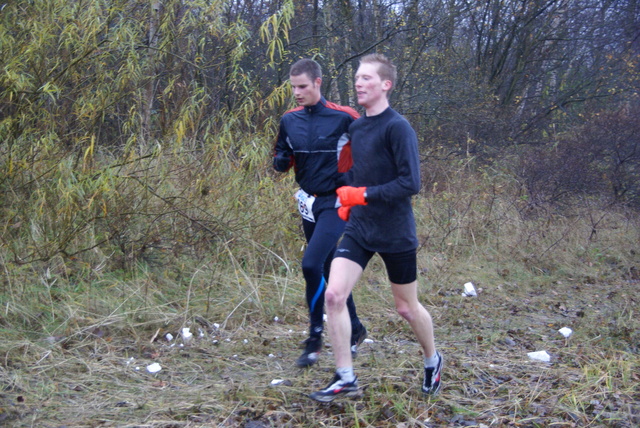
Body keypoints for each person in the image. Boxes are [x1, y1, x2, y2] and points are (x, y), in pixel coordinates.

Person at [309, 54, 443, 402]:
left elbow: (410, 183)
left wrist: (362, 195)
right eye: (356, 77)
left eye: (367, 78)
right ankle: (345, 377)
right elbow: (358, 174)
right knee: (334, 296)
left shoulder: (398, 127)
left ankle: (432, 359)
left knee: (406, 308)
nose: (358, 83)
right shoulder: (356, 127)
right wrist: (344, 197)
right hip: (360, 229)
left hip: (396, 231)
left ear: (386, 84)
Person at [273, 58, 368, 368]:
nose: (297, 93)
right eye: (293, 88)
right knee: (327, 268)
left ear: (317, 83)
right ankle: (355, 330)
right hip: (309, 202)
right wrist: (281, 160)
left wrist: (364, 189)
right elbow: (282, 156)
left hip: (337, 202)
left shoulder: (344, 117)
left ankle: (314, 338)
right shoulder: (289, 119)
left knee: (311, 263)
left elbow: (369, 149)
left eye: (302, 87)